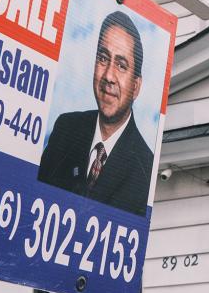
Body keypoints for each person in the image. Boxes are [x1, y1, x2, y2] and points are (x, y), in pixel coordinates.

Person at [37, 11, 154, 216]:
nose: (109, 75)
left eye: (121, 65)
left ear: (136, 86)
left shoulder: (145, 168)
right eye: (103, 58)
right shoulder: (65, 129)